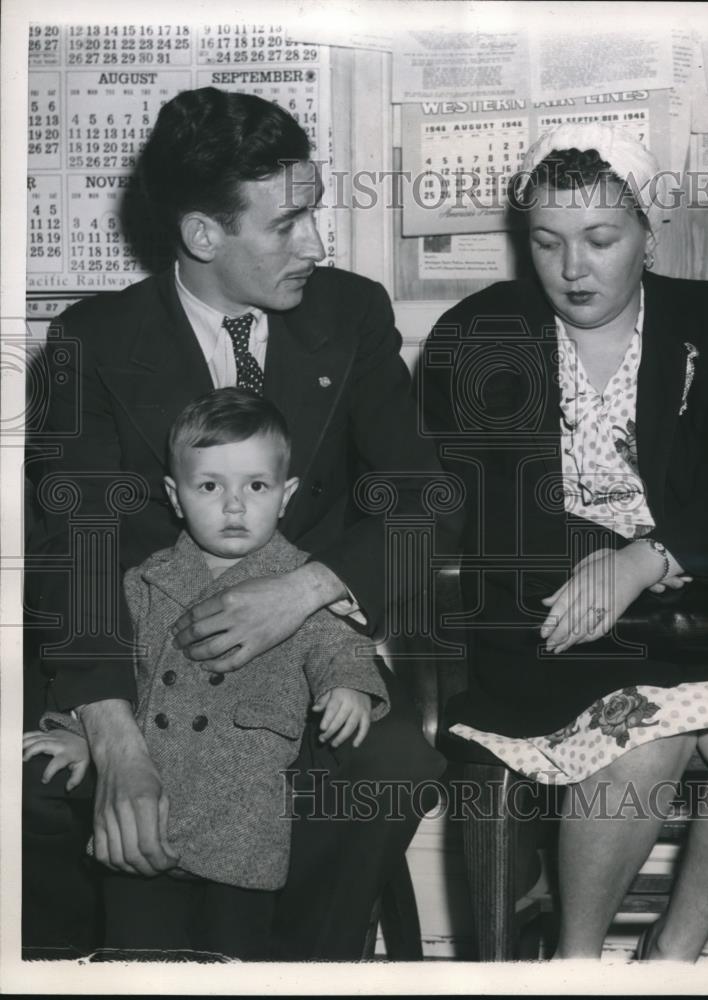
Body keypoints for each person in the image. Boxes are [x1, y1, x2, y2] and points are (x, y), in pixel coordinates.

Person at [24, 86, 446, 961]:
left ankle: (301, 974)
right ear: (203, 236)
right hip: (143, 669)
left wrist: (301, 591)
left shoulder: (352, 313)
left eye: (315, 214)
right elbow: (77, 548)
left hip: (306, 659)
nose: (317, 245)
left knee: (391, 767)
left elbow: (421, 497)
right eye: (287, 224)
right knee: (40, 797)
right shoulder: (89, 342)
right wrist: (117, 741)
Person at [421, 123, 708, 960]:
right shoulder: (474, 336)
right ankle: (574, 962)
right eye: (547, 242)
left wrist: (649, 556)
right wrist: (605, 563)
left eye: (600, 239)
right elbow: (476, 507)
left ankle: (669, 959)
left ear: (647, 233)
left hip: (704, 623)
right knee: (643, 740)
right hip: (553, 623)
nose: (573, 269)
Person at [24, 389, 391, 960]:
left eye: (257, 487)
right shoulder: (146, 581)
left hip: (240, 819)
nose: (235, 506)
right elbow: (123, 674)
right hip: (149, 817)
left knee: (232, 962)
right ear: (175, 496)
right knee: (135, 961)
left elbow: (340, 644)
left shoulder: (300, 586)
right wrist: (81, 736)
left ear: (286, 495)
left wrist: (350, 687)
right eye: (211, 486)